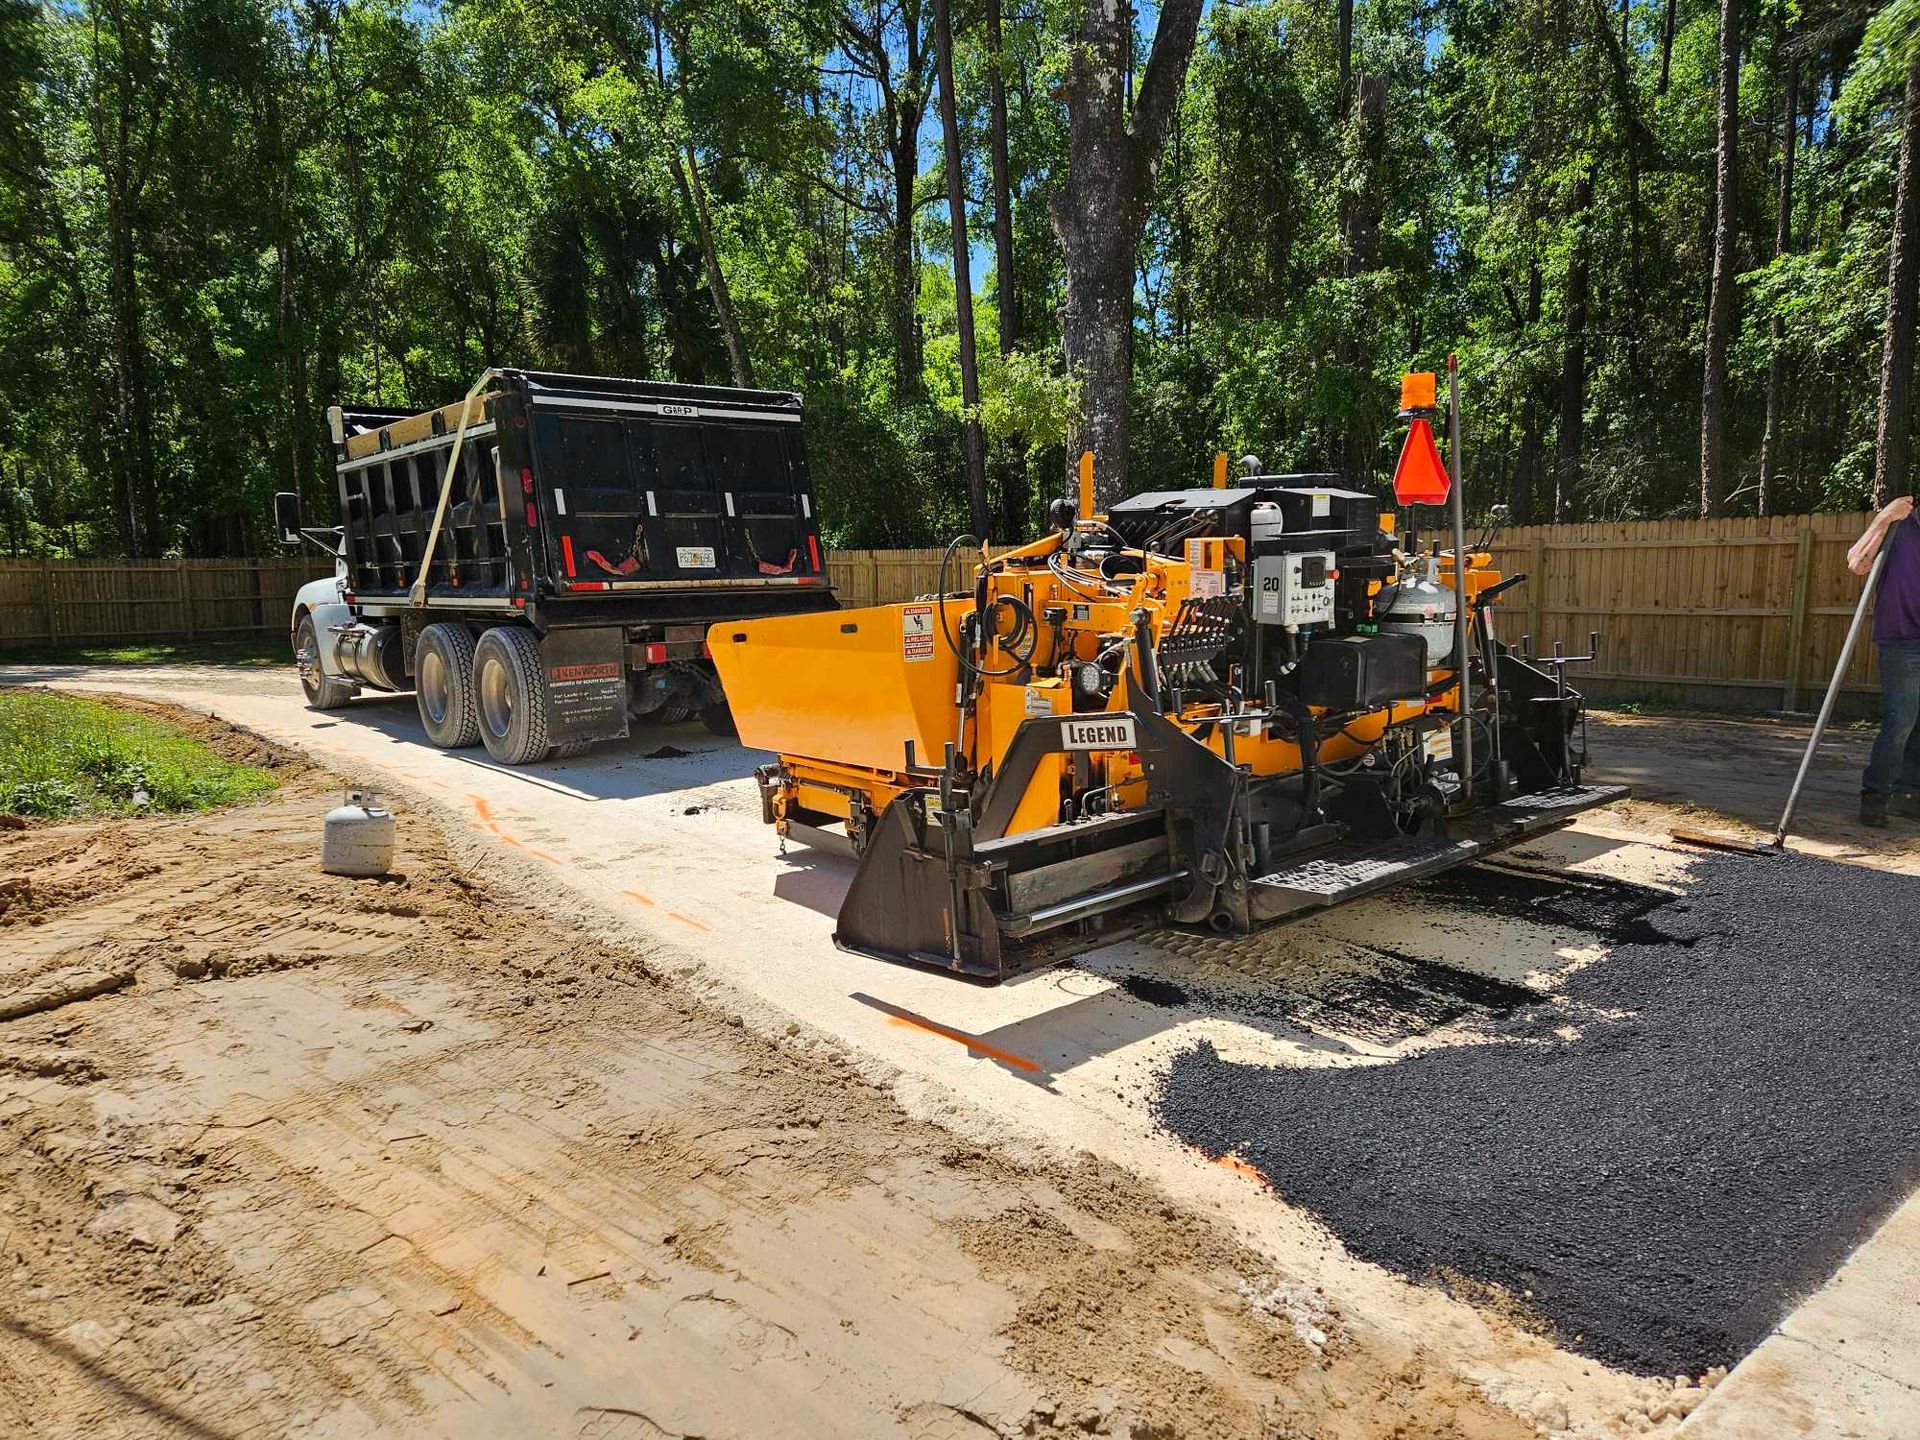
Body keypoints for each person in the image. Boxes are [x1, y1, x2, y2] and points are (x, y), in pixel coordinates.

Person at [1848, 494, 1920, 826]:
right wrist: (1884, 518)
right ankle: (1875, 795)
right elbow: (1858, 563)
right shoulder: (1899, 527)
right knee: (1901, 719)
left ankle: (1909, 795)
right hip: (1902, 639)